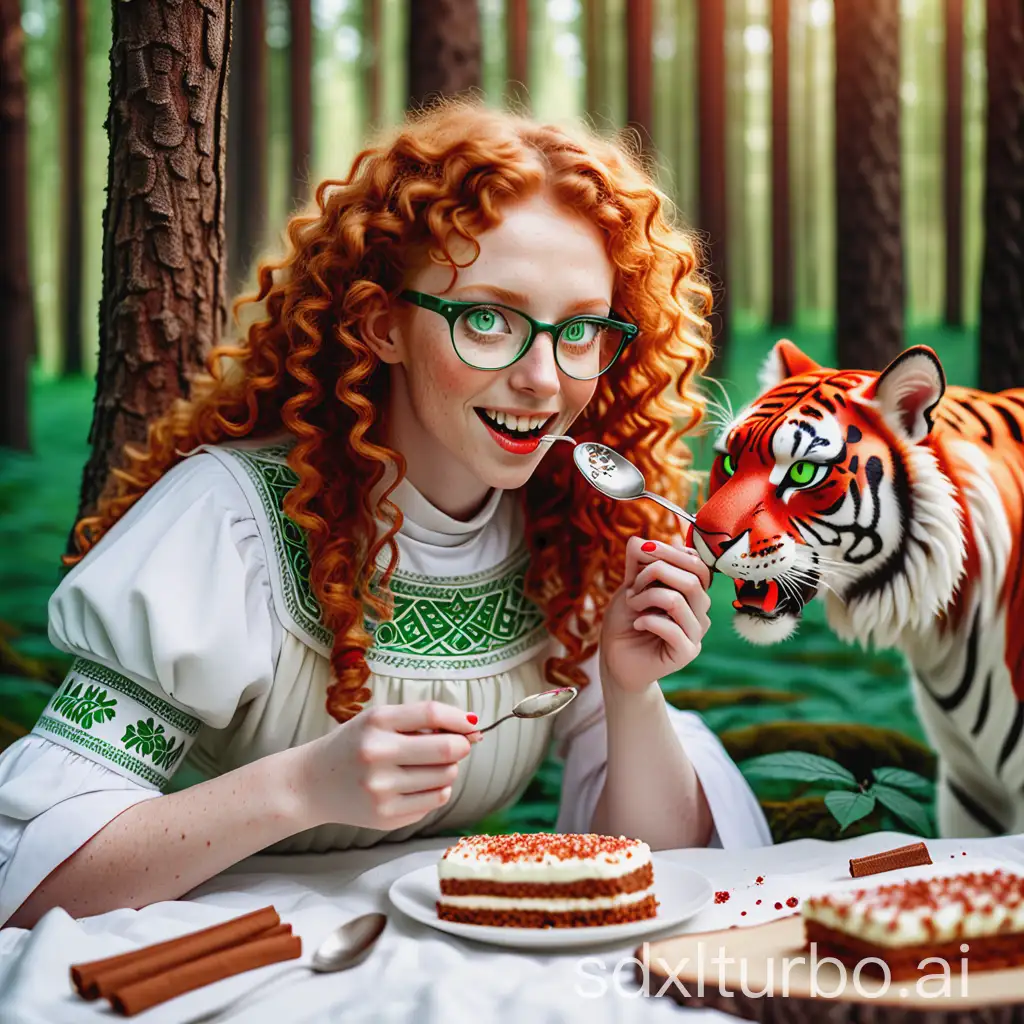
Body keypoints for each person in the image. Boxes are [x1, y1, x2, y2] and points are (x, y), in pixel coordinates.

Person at [0, 100, 771, 929]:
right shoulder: (230, 525)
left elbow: (657, 875)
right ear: (381, 324)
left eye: (580, 330)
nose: (545, 379)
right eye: (487, 318)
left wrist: (629, 693)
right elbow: (28, 878)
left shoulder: (569, 533)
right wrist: (299, 787)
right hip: (219, 968)